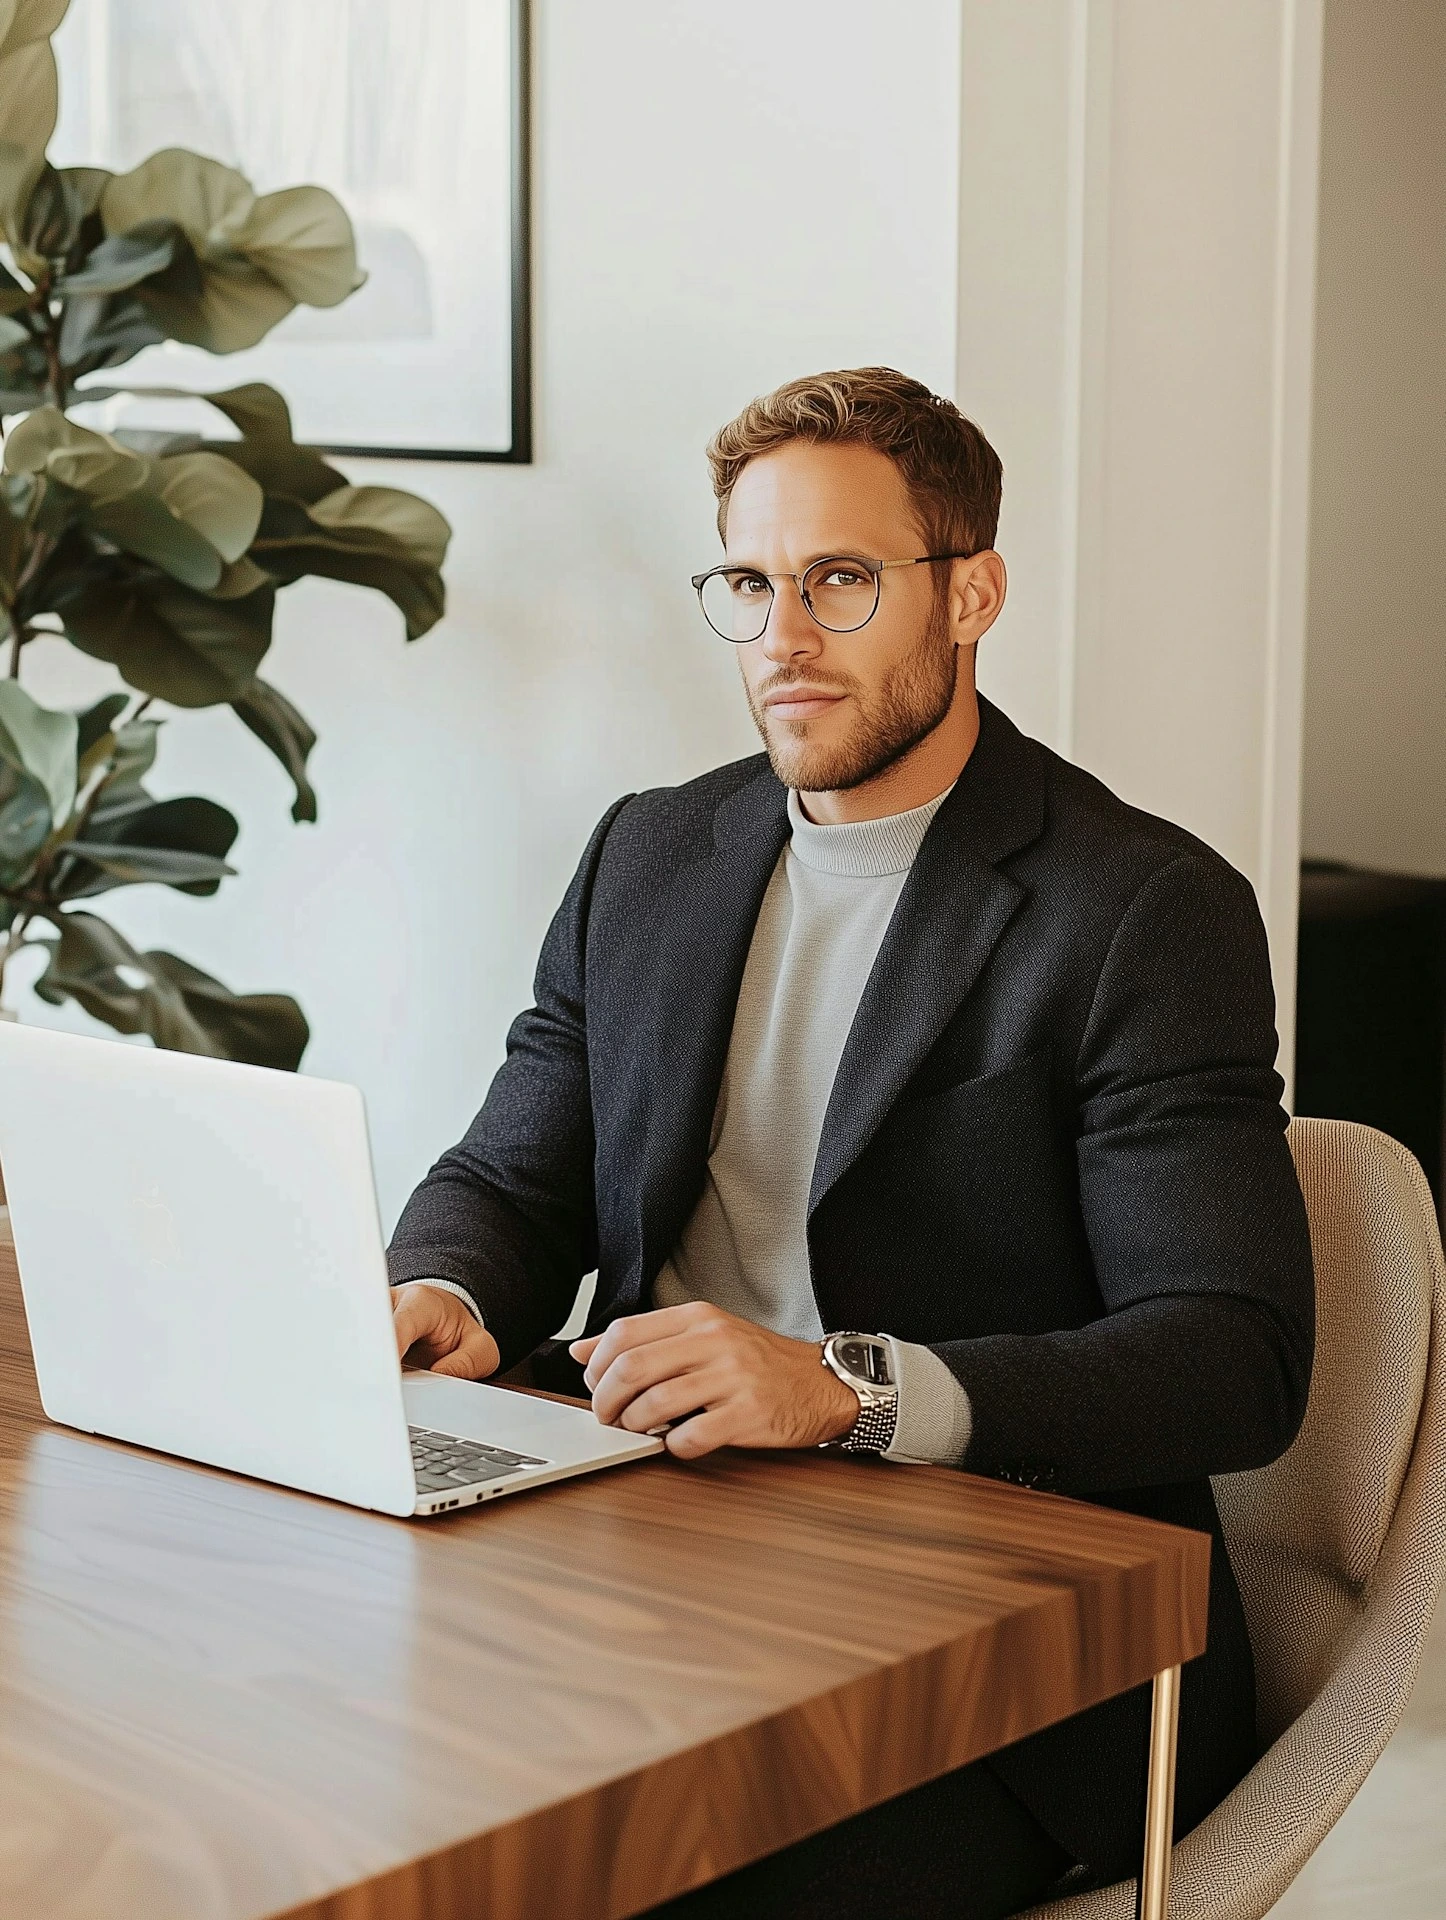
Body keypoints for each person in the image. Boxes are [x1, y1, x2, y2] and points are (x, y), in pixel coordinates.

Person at [386, 367, 1315, 1919]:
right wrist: (446, 1293)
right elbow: (511, 1176)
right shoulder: (651, 850)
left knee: (611, 1875)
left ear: (971, 595)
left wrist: (840, 1389)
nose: (783, 640)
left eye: (839, 580)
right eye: (749, 583)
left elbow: (1231, 1357)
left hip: (995, 1637)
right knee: (349, 1769)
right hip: (646, 1528)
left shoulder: (1140, 910)